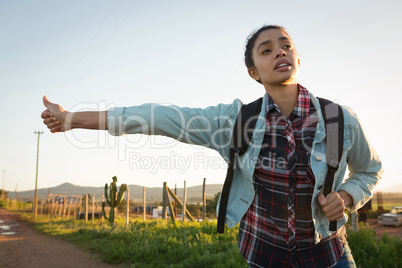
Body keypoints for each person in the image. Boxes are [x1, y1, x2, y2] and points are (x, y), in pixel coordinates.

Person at [41, 25, 383, 267]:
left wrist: (348, 196)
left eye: (286, 44)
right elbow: (158, 117)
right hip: (264, 256)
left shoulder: (339, 119)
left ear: (296, 57)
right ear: (254, 72)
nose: (280, 51)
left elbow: (370, 170)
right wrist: (72, 119)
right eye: (267, 50)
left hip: (328, 257)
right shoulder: (234, 121)